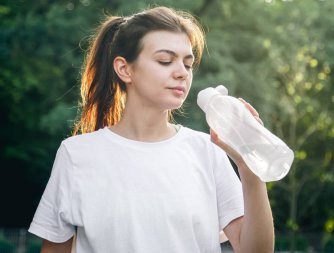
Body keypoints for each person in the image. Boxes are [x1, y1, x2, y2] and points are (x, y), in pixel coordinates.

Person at [28, 6, 274, 253]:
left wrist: (251, 171)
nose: (181, 73)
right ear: (124, 69)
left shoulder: (207, 152)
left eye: (188, 64)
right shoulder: (76, 155)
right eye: (165, 61)